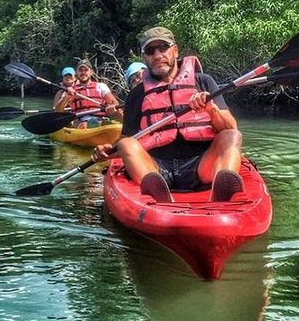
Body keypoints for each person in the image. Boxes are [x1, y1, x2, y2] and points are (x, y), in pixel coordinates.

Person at [92, 26, 243, 202]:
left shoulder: (204, 82)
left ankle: (221, 190)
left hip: (202, 164)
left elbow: (230, 128)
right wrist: (107, 150)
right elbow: (127, 141)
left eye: (163, 47)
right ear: (145, 57)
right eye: (150, 51)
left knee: (231, 136)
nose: (157, 55)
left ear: (175, 50)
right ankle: (158, 193)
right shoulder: (137, 94)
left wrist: (210, 108)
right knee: (126, 144)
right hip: (156, 168)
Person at [54, 59, 122, 127]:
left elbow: (115, 102)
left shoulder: (101, 86)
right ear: (76, 73)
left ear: (91, 72)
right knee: (84, 125)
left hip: (100, 119)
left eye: (86, 70)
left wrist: (112, 107)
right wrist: (66, 96)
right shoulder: (71, 90)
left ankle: (103, 126)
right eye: (80, 70)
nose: (83, 73)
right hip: (80, 121)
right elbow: (57, 111)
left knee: (115, 120)